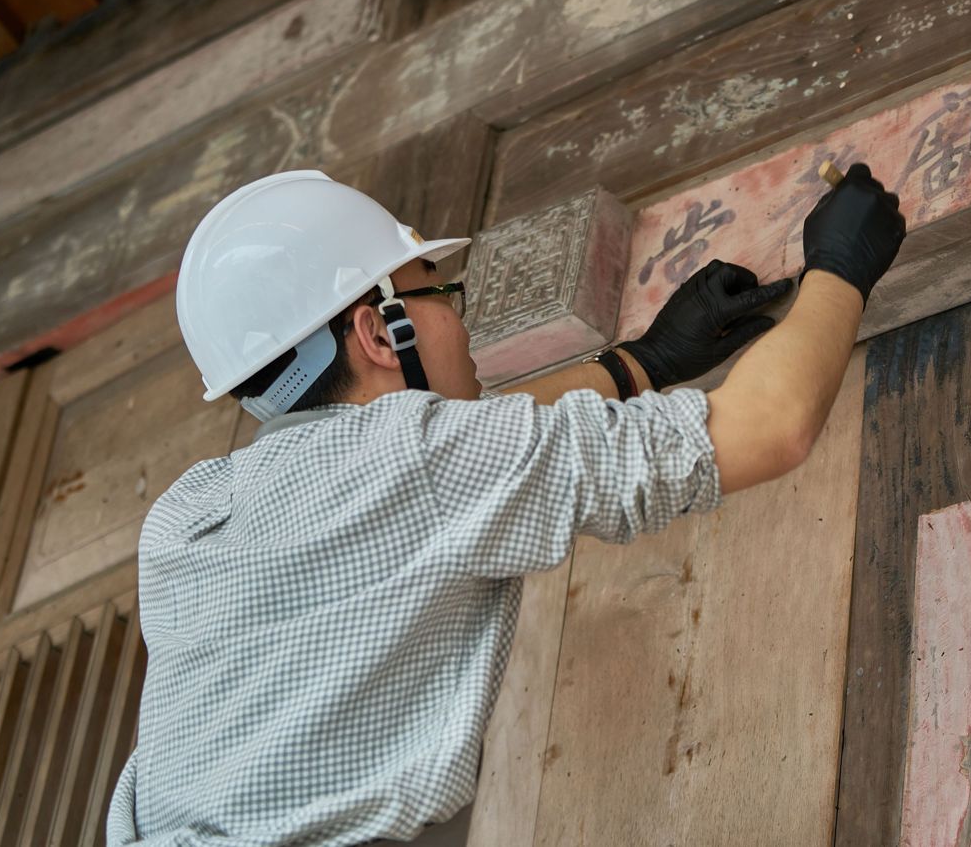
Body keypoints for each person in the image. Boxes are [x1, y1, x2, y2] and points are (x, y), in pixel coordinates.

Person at [106, 164, 905, 845]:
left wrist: (641, 363)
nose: (461, 318)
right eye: (440, 291)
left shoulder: (186, 517)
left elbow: (430, 457)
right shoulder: (421, 463)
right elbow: (771, 428)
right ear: (379, 334)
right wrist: (840, 269)